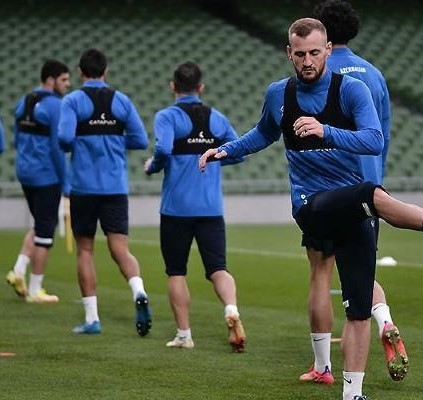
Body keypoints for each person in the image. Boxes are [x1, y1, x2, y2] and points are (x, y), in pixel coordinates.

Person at [200, 18, 423, 400]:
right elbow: (263, 133)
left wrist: (325, 130)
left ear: (329, 50)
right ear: (289, 53)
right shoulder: (279, 94)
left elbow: (374, 140)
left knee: (359, 308)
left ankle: (353, 393)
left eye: (315, 53)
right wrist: (225, 150)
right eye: (300, 54)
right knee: (369, 195)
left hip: (352, 204)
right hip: (311, 204)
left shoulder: (351, 90)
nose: (307, 61)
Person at [296, 0, 406, 385]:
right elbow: (381, 137)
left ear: (323, 37)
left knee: (320, 272)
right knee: (361, 271)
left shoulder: (318, 75)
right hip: (368, 190)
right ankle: (384, 320)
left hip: (326, 189)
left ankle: (323, 366)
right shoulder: (373, 75)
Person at [144, 62, 246, 351]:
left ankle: (184, 335)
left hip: (176, 209)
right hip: (211, 208)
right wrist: (212, 158)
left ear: (172, 86)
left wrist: (153, 166)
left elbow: (163, 149)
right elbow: (239, 151)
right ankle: (231, 309)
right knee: (218, 268)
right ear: (201, 87)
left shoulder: (167, 116)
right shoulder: (217, 118)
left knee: (176, 271)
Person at [58, 48, 152, 336]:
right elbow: (140, 140)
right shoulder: (121, 100)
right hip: (115, 187)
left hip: (84, 187)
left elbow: (63, 139)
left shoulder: (73, 100)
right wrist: (112, 139)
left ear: (80, 72)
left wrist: (87, 139)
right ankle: (138, 290)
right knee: (120, 249)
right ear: (105, 71)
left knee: (85, 250)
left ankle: (92, 319)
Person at [5, 60, 71, 303]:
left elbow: (16, 138)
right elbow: (57, 148)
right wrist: (66, 183)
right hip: (46, 176)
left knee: (39, 223)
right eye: (64, 79)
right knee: (45, 232)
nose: (68, 84)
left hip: (25, 172)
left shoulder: (24, 101)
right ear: (51, 80)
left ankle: (18, 271)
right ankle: (35, 290)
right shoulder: (56, 106)